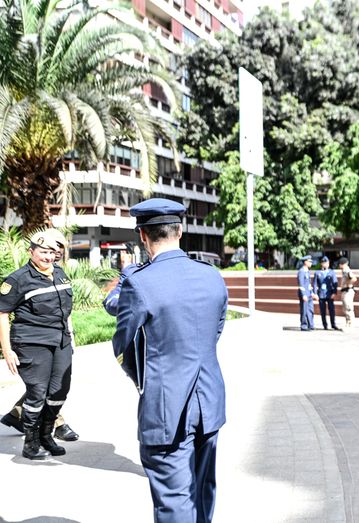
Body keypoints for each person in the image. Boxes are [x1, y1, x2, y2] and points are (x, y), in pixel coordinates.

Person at [112, 198, 228, 522]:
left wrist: (146, 379)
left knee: (175, 501)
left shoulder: (139, 281)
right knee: (202, 492)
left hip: (166, 408)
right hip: (209, 402)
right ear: (180, 231)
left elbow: (123, 345)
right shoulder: (211, 276)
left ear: (142, 236)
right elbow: (215, 331)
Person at [0, 230, 74, 459]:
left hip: (61, 341)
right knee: (37, 392)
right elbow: (2, 313)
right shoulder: (17, 279)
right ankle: (30, 442)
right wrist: (7, 350)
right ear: (31, 252)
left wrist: (71, 335)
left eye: (52, 252)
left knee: (59, 391)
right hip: (32, 342)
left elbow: (66, 310)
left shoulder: (59, 273)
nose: (48, 257)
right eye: (43, 252)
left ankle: (46, 435)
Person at [313, 255, 340, 330]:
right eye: (324, 263)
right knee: (323, 311)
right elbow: (314, 284)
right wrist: (315, 293)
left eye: (327, 263)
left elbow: (335, 282)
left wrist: (334, 292)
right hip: (321, 294)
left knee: (332, 310)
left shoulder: (331, 272)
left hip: (329, 294)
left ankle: (333, 324)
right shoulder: (317, 273)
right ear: (321, 264)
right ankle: (325, 325)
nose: (326, 264)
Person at [337, 257, 357, 329]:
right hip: (345, 291)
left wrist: (348, 284)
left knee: (348, 308)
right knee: (345, 308)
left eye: (340, 264)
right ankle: (348, 323)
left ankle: (350, 324)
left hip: (347, 291)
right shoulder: (344, 271)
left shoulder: (346, 270)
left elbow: (354, 278)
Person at [297, 255, 315, 331]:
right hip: (304, 294)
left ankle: (311, 325)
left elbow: (309, 284)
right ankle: (304, 326)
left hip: (309, 294)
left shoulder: (307, 271)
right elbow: (301, 284)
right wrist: (303, 294)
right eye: (309, 261)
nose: (311, 263)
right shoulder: (301, 271)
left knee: (310, 310)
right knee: (304, 310)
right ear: (305, 262)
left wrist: (312, 292)